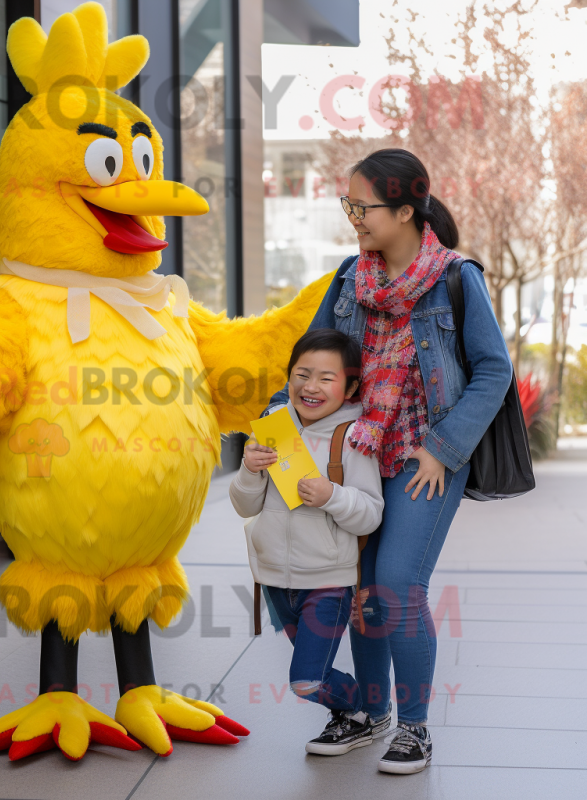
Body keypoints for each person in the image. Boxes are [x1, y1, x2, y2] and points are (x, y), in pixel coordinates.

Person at [267, 148, 513, 774]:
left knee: (398, 588)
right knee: (359, 594)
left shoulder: (456, 277)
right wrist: (274, 425)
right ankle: (367, 714)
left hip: (426, 457)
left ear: (405, 210)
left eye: (363, 205)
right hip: (358, 457)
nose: (353, 216)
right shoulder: (350, 277)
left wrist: (444, 446)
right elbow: (315, 362)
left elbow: (493, 371)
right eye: (348, 204)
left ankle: (415, 728)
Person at [229, 329, 385, 756]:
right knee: (311, 669)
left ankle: (365, 709)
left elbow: (372, 511)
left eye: (326, 377)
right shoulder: (273, 430)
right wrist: (250, 469)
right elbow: (245, 506)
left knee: (306, 680)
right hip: (277, 581)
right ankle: (351, 718)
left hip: (327, 583)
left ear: (351, 386)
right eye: (302, 374)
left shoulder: (353, 438)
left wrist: (332, 495)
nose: (311, 386)